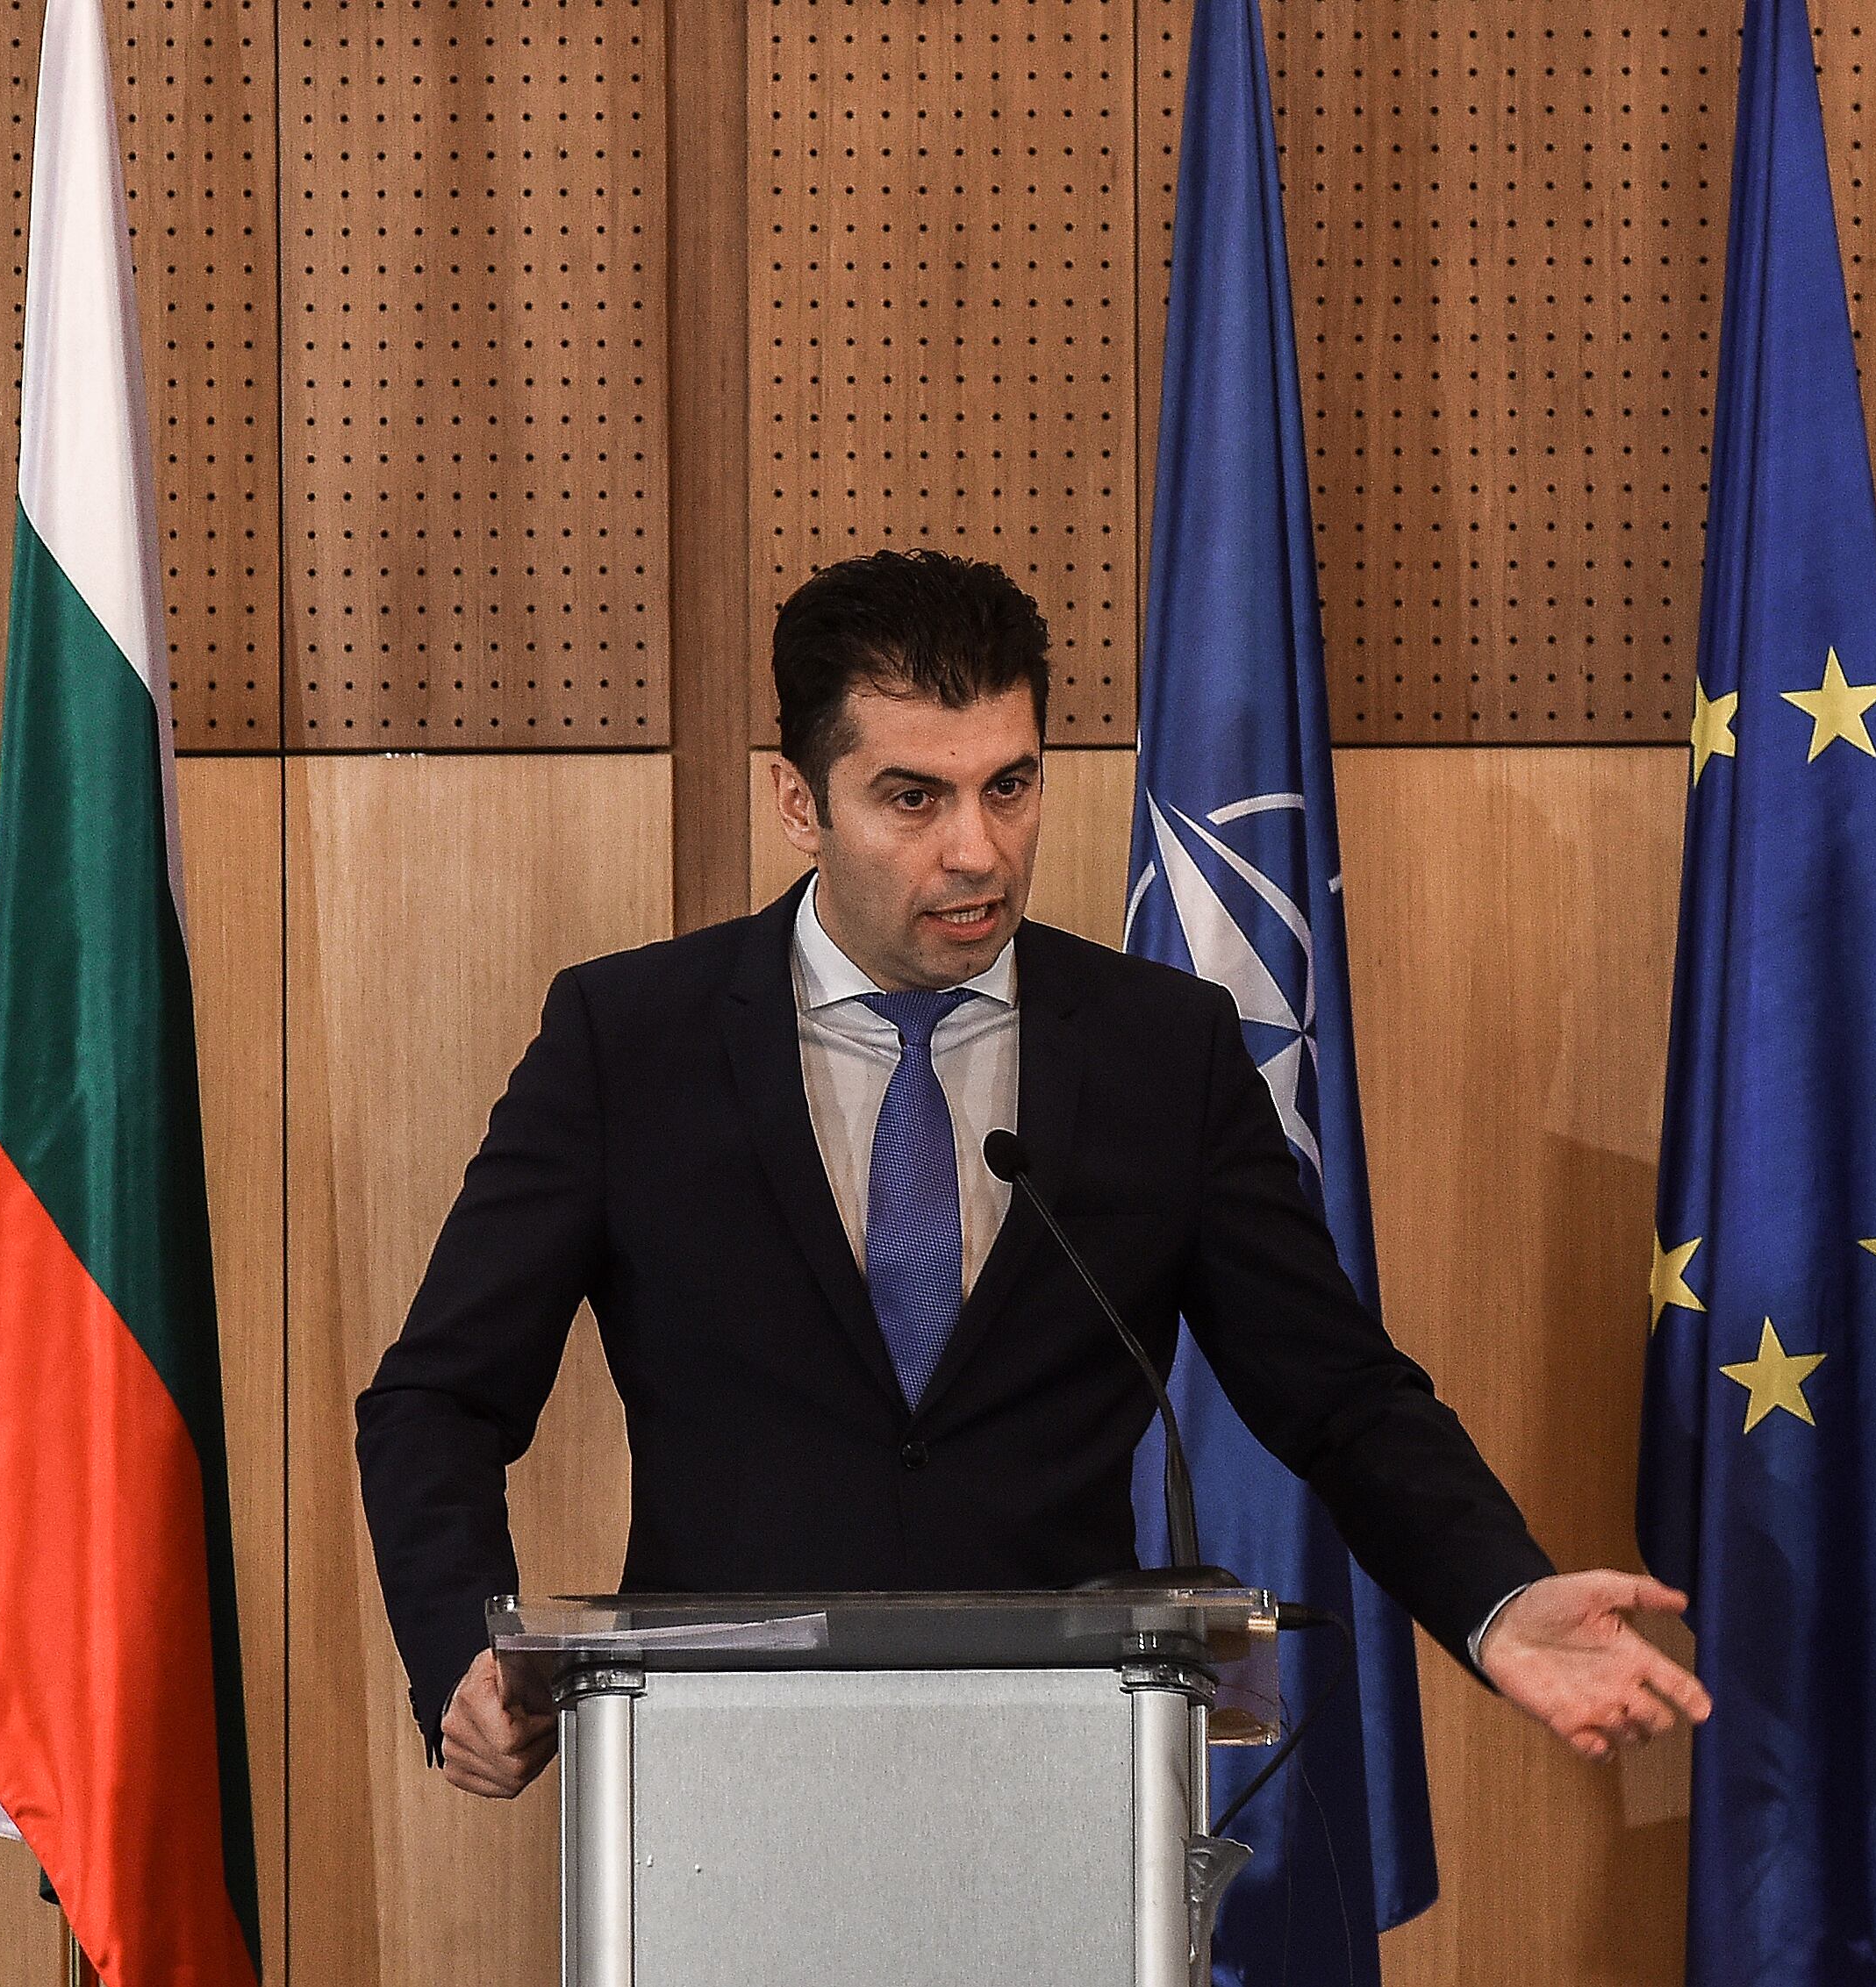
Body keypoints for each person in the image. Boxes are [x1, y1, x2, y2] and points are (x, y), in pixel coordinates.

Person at [355, 549, 1709, 1800]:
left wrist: (1493, 1595)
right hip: (716, 1771)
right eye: (913, 796)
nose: (977, 850)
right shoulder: (628, 1040)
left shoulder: (1157, 1050)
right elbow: (436, 1397)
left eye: (1009, 785)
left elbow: (1341, 1396)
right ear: (797, 801)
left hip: (1064, 1769)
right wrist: (463, 1648)